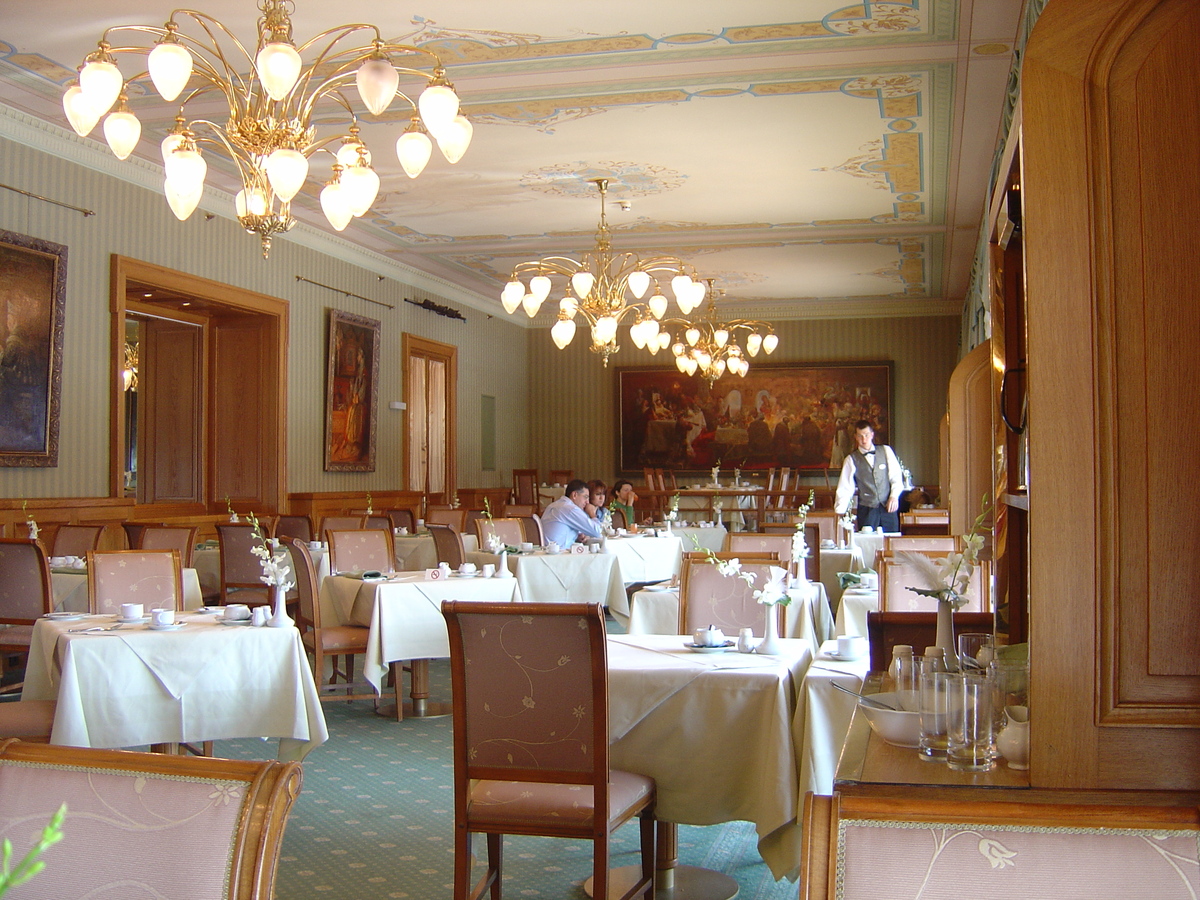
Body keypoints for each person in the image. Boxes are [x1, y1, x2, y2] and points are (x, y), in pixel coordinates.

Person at [834, 420, 905, 532]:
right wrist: (840, 512)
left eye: (866, 435)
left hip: (888, 507)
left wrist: (894, 496)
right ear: (855, 437)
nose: (864, 439)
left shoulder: (886, 451)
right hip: (867, 510)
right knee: (867, 540)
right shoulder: (851, 459)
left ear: (872, 435)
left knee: (891, 539)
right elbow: (845, 487)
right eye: (860, 436)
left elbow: (896, 477)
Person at [540, 479, 603, 547]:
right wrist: (592, 514)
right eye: (585, 497)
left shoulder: (554, 505)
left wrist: (578, 535)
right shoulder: (570, 509)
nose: (587, 502)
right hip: (558, 552)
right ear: (574, 495)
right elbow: (598, 532)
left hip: (546, 550)